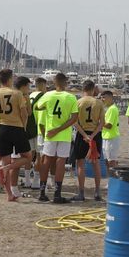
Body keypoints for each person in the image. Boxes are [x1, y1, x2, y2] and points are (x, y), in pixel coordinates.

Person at [36, 72, 78, 203]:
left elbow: (38, 107)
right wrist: (59, 129)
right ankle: (57, 193)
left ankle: (42, 192)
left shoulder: (48, 95)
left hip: (50, 132)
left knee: (46, 160)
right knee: (60, 161)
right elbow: (74, 118)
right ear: (66, 82)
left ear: (54, 82)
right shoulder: (71, 97)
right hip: (64, 134)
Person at [72, 80, 105, 201]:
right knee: (96, 163)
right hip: (95, 135)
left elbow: (74, 121)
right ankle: (97, 192)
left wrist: (84, 135)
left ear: (83, 89)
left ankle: (81, 193)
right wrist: (92, 135)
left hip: (82, 134)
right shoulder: (99, 103)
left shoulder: (78, 102)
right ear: (93, 89)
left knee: (80, 163)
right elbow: (102, 123)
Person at [98, 89, 121, 190]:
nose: (102, 99)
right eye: (101, 97)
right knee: (108, 161)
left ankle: (114, 181)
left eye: (104, 97)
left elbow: (109, 125)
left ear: (110, 97)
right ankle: (111, 180)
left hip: (112, 137)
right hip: (106, 137)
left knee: (112, 162)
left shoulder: (112, 109)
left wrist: (98, 124)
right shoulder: (107, 108)